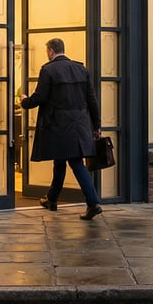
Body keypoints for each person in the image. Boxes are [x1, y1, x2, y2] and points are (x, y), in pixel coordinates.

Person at [19, 37, 102, 220]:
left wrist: (24, 101)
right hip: (80, 125)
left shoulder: (48, 70)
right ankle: (52, 199)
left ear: (50, 51)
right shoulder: (81, 69)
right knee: (60, 160)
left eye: (46, 51)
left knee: (75, 162)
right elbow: (92, 100)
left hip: (58, 125)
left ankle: (93, 202)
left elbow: (40, 98)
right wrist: (96, 126)